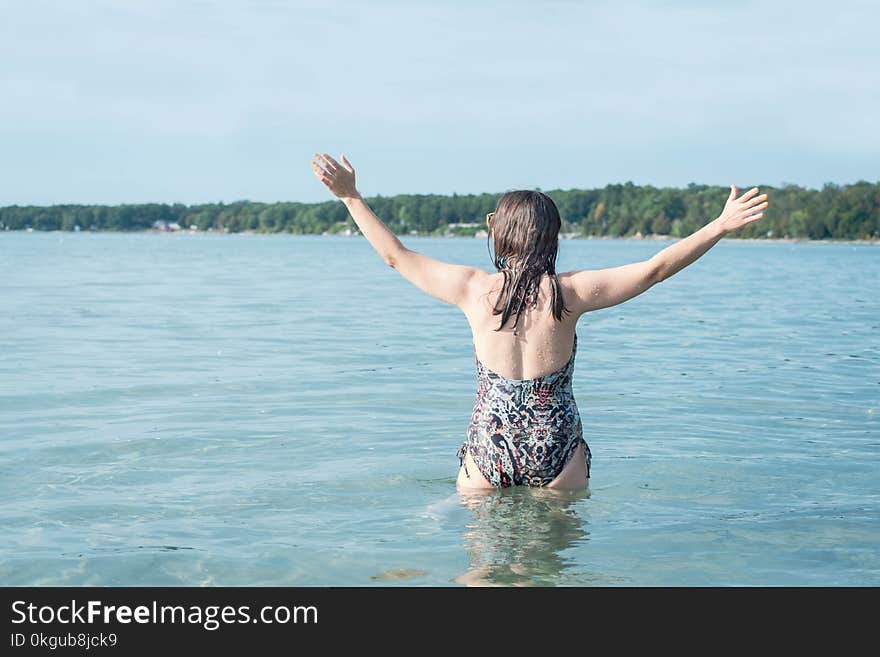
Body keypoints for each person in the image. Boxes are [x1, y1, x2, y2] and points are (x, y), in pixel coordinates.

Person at [311, 152, 768, 491]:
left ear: (502, 234)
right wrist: (718, 226)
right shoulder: (568, 293)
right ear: (550, 237)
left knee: (481, 573)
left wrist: (350, 196)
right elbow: (654, 269)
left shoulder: (473, 289)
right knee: (552, 570)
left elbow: (396, 256)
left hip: (489, 450)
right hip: (556, 450)